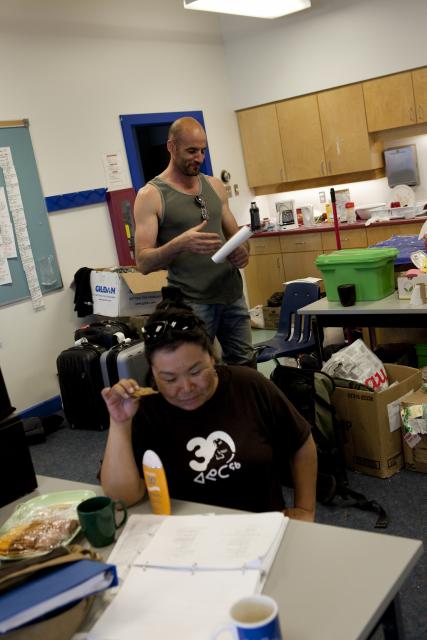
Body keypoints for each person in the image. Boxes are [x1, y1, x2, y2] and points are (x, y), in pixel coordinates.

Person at [100, 300, 318, 520]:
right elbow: (122, 499)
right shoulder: (145, 408)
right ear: (153, 373)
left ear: (212, 357)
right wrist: (119, 424)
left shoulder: (249, 385)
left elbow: (301, 442)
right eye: (169, 378)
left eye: (196, 372)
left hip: (263, 527)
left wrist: (305, 509)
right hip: (187, 533)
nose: (186, 388)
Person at [133, 116, 255, 367]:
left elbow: (237, 237)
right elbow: (143, 262)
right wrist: (180, 243)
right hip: (192, 304)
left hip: (231, 295)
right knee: (198, 370)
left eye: (202, 151)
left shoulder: (214, 186)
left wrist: (243, 250)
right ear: (171, 147)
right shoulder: (151, 195)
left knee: (245, 365)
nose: (199, 157)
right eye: (191, 151)